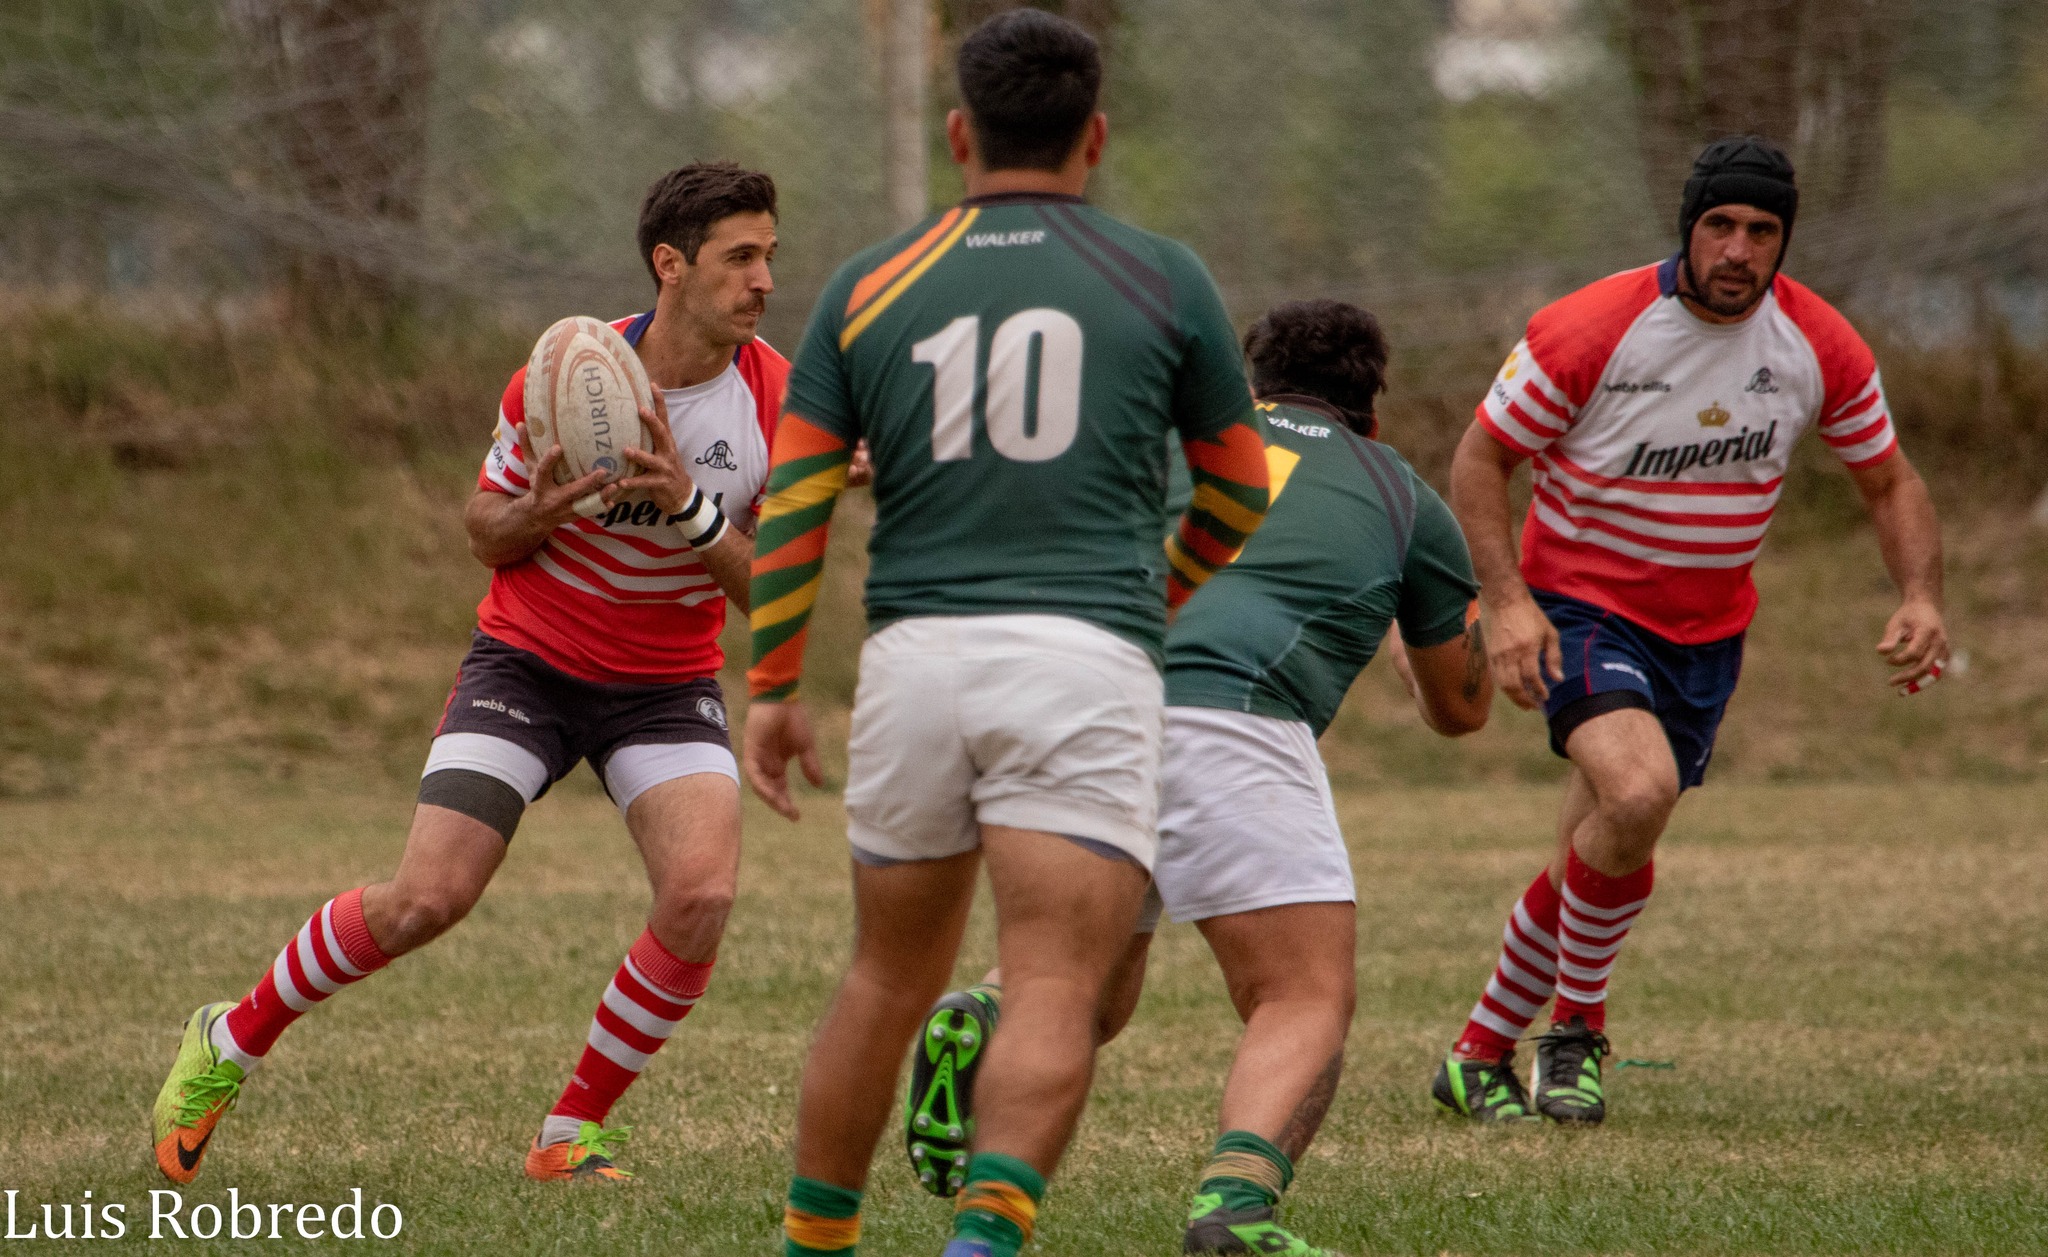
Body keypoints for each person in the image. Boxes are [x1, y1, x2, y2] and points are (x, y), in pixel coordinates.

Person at [742, 12, 1271, 1257]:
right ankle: (984, 1237)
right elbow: (1239, 488)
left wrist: (770, 683)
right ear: (1095, 135)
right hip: (1082, 661)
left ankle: (813, 1243)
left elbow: (799, 497)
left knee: (885, 976)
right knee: (1049, 980)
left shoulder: (869, 282)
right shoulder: (1162, 275)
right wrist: (1161, 593)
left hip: (917, 662)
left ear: (956, 133)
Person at [151, 162, 790, 1184]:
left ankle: (566, 1134)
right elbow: (484, 533)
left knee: (701, 894)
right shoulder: (565, 372)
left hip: (665, 683)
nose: (763, 281)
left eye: (768, 256)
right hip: (528, 665)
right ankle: (226, 1041)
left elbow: (774, 592)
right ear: (670, 264)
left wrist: (688, 507)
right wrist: (539, 510)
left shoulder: (775, 398)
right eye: (740, 257)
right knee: (427, 898)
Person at [906, 300, 1495, 1257]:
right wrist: (1407, 638)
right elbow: (1462, 707)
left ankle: (989, 1011)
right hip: (1232, 714)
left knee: (1089, 986)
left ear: (1251, 384)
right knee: (1303, 992)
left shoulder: (1176, 438)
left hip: (1082, 702)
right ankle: (1236, 1209)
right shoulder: (1399, 494)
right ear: (1372, 412)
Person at [1432, 135, 1948, 1125]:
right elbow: (1476, 461)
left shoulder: (1817, 345)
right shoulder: (1592, 329)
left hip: (1703, 634)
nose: (1737, 249)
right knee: (1638, 791)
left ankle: (1475, 1051)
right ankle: (1575, 1034)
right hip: (1576, 607)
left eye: (1761, 231)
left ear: (1783, 240)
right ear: (1686, 227)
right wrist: (1504, 602)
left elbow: (1889, 480)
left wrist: (1919, 594)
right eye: (1719, 225)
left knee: (1601, 843)